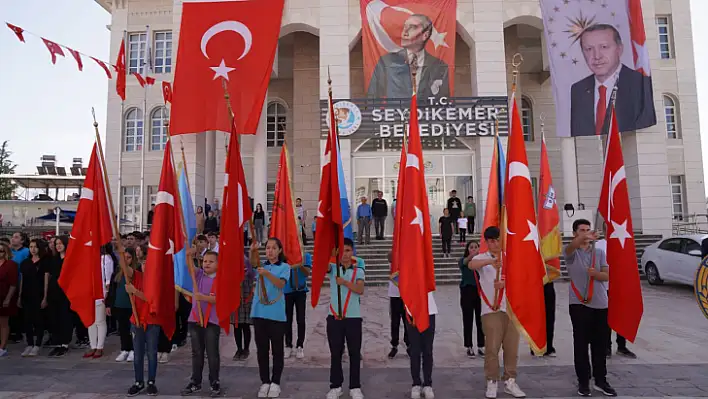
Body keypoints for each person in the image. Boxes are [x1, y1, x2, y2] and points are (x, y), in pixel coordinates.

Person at [468, 227, 525, 399]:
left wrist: (505, 284)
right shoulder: (482, 258)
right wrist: (490, 262)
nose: (494, 244)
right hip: (491, 309)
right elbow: (471, 264)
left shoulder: (511, 257)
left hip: (511, 309)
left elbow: (522, 279)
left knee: (511, 348)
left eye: (496, 240)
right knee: (492, 348)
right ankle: (492, 381)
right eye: (490, 241)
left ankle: (510, 381)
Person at [570, 24, 656, 137]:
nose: (597, 56)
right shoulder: (578, 90)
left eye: (604, 47)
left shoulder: (639, 83)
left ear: (619, 49)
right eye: (589, 49)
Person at [564, 219, 617, 397]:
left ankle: (601, 380)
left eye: (588, 230)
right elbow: (573, 246)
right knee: (580, 345)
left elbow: (606, 276)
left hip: (600, 304)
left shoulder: (599, 252)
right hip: (579, 304)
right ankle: (583, 382)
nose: (586, 233)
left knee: (600, 345)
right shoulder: (571, 252)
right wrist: (585, 237)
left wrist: (596, 274)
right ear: (575, 233)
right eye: (582, 230)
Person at [367, 14, 450, 99]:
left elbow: (443, 101)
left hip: (425, 111)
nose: (405, 32)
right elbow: (372, 97)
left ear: (425, 35)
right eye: (404, 27)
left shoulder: (439, 66)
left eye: (412, 27)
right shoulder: (386, 62)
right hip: (396, 112)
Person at [325, 238, 365, 399]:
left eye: (348, 251)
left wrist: (345, 282)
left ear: (353, 252)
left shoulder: (358, 271)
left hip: (353, 318)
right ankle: (336, 385)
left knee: (354, 352)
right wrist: (330, 254)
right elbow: (323, 266)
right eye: (343, 251)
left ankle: (355, 386)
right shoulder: (334, 268)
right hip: (334, 317)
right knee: (336, 353)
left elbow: (360, 289)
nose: (345, 254)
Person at [251, 238, 291, 398]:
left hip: (276, 315)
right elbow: (252, 264)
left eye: (274, 248)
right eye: (267, 248)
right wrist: (253, 250)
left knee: (277, 350)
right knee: (262, 350)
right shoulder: (261, 266)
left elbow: (281, 284)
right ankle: (265, 381)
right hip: (259, 313)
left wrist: (267, 273)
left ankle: (275, 382)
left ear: (280, 250)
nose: (270, 251)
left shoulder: (284, 267)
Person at [180, 251, 222, 397]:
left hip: (212, 320)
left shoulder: (220, 279)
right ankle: (195, 381)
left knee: (212, 353)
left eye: (211, 261)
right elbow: (189, 266)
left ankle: (214, 381)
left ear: (218, 264)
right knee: (197, 353)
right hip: (195, 319)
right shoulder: (199, 276)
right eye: (205, 261)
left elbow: (220, 299)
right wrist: (188, 255)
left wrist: (202, 297)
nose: (207, 264)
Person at [593, 239, 637, 360]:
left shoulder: (622, 242)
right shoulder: (599, 245)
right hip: (605, 286)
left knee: (622, 317)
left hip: (621, 286)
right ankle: (606, 346)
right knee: (606, 318)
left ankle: (621, 346)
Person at [124, 260, 161, 396]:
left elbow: (152, 299)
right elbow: (126, 268)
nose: (146, 265)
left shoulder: (157, 280)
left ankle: (151, 381)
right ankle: (138, 382)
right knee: (138, 354)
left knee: (152, 353)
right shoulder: (138, 276)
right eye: (144, 263)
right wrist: (121, 252)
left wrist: (135, 291)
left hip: (152, 320)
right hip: (137, 319)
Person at [106, 248, 140, 363]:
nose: (126, 260)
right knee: (123, 329)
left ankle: (133, 349)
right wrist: (109, 305)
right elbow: (112, 289)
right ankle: (124, 349)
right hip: (119, 305)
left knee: (133, 329)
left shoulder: (136, 271)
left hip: (132, 305)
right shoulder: (117, 271)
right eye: (123, 258)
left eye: (128, 258)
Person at [18, 239, 49, 357]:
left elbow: (46, 280)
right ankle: (29, 344)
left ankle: (37, 344)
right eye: (31, 247)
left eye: (35, 247)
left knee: (38, 320)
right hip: (27, 294)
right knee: (27, 321)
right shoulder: (25, 263)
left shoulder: (44, 262)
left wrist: (45, 297)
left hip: (39, 293)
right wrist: (20, 295)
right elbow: (22, 279)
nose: (33, 249)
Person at [83, 243, 115, 359]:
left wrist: (106, 295)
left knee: (100, 321)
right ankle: (93, 345)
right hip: (89, 293)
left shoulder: (106, 258)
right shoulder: (88, 258)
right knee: (90, 321)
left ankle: (100, 346)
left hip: (100, 293)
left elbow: (108, 279)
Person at [406, 290, 438, 399]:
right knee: (415, 350)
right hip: (412, 310)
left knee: (428, 350)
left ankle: (428, 384)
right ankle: (416, 383)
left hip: (429, 310)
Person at [47, 236, 73, 357]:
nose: (58, 246)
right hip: (54, 291)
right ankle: (57, 343)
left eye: (60, 243)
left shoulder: (70, 259)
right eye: (56, 244)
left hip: (66, 292)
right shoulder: (54, 259)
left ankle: (65, 343)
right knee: (55, 317)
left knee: (65, 317)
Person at [284, 252, 312, 360]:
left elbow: (306, 273)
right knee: (287, 320)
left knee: (301, 319)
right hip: (287, 291)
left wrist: (299, 263)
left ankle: (300, 345)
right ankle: (288, 345)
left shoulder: (305, 255)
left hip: (300, 291)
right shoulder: (286, 254)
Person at [459, 241, 485, 358]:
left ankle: (481, 345)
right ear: (467, 249)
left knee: (480, 320)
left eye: (476, 247)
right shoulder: (463, 260)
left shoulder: (480, 262)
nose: (474, 249)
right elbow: (464, 262)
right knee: (468, 319)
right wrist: (472, 256)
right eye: (471, 247)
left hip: (479, 292)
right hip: (467, 292)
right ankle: (469, 345)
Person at [232, 253, 256, 360]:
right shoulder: (231, 263)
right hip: (235, 297)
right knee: (236, 325)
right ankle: (239, 349)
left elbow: (252, 274)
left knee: (245, 325)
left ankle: (246, 349)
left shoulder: (247, 262)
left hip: (246, 296)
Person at [387, 251, 409, 359]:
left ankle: (409, 344)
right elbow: (389, 256)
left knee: (407, 321)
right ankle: (394, 345)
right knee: (395, 322)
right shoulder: (394, 253)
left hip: (407, 294)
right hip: (394, 294)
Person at [0, 241, 19, 357]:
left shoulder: (11, 264)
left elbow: (13, 284)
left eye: (1, 250)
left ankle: (3, 346)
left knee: (3, 322)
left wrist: (8, 298)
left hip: (4, 295)